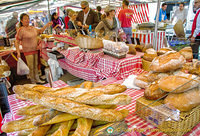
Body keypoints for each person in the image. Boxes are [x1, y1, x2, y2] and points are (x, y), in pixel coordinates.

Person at [15, 13, 52, 84]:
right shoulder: (21, 30)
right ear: (21, 21)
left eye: (28, 18)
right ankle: (32, 81)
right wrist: (18, 52)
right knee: (31, 66)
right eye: (25, 19)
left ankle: (37, 79)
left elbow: (40, 31)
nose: (27, 20)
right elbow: (16, 42)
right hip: (27, 50)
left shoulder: (32, 28)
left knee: (36, 65)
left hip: (35, 49)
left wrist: (47, 25)